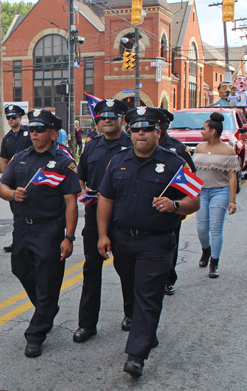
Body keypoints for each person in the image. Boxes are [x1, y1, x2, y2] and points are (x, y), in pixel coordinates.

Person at [97, 107, 200, 377]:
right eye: (136, 129)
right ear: (130, 132)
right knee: (131, 292)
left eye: (147, 129)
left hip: (156, 243)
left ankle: (136, 355)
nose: (141, 133)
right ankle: (146, 331)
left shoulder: (175, 162)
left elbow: (194, 201)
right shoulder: (118, 161)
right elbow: (106, 199)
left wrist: (174, 204)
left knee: (148, 295)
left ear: (158, 131)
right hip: (122, 240)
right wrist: (103, 234)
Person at [0, 109, 80, 358]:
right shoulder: (21, 157)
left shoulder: (64, 162)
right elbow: (3, 186)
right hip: (23, 226)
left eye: (40, 129)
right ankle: (46, 308)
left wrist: (69, 236)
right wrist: (13, 194)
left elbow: (71, 202)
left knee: (47, 281)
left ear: (53, 133)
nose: (34, 134)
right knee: (20, 270)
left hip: (50, 229)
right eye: (31, 130)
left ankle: (36, 333)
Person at [73, 98, 132, 344]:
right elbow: (81, 176)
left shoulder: (132, 144)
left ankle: (132, 315)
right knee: (91, 270)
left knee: (127, 271)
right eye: (102, 117)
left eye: (112, 116)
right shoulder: (91, 146)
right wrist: (83, 192)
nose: (106, 120)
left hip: (123, 219)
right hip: (94, 218)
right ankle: (87, 324)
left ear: (121, 119)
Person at [155, 108, 197, 296]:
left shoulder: (178, 148)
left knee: (170, 245)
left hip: (171, 208)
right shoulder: (139, 147)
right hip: (146, 207)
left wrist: (179, 207)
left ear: (165, 126)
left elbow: (191, 180)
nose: (157, 128)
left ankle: (168, 279)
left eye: (159, 124)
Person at [194, 112, 239, 278]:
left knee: (216, 228)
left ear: (212, 131)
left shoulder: (228, 151)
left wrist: (232, 200)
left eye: (203, 129)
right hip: (201, 193)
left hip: (219, 191)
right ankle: (206, 250)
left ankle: (214, 262)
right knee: (201, 228)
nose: (201, 132)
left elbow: (232, 176)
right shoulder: (199, 148)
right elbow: (193, 173)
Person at [0, 105, 33, 253]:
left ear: (21, 118)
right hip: (14, 180)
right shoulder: (6, 139)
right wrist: (6, 179)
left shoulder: (30, 133)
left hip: (30, 178)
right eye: (9, 117)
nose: (11, 120)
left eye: (14, 117)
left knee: (33, 210)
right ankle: (18, 241)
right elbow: (5, 161)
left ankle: (33, 240)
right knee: (17, 213)